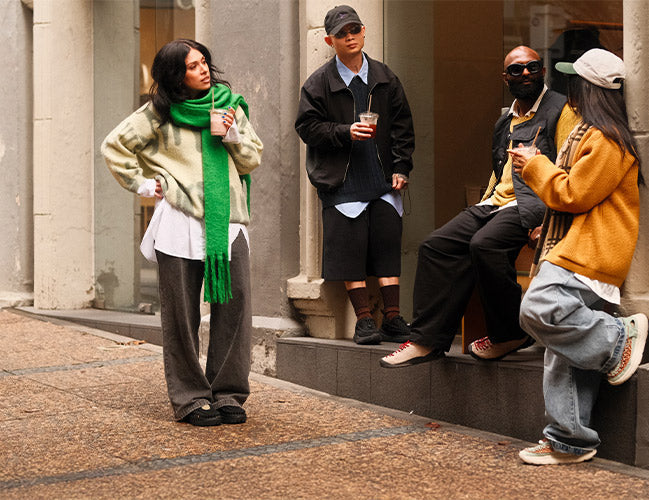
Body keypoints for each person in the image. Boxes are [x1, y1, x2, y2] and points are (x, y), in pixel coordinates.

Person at [380, 46, 580, 368]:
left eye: (532, 67)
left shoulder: (562, 109)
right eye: (516, 70)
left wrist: (551, 218)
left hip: (536, 203)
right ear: (505, 78)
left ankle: (510, 333)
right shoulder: (505, 120)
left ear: (543, 71)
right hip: (496, 204)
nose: (525, 73)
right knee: (436, 246)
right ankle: (425, 341)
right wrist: (483, 204)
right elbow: (499, 170)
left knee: (484, 245)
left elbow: (570, 168)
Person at [102, 39, 263, 427]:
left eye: (204, 61)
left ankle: (228, 393)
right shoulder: (158, 114)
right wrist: (145, 185)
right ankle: (190, 397)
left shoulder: (230, 105)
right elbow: (115, 146)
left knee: (235, 308)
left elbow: (252, 159)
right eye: (193, 66)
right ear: (177, 75)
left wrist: (230, 134)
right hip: (181, 220)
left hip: (228, 220)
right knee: (180, 314)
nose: (204, 69)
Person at [510, 48, 648, 464]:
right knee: (564, 355)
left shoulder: (606, 139)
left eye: (575, 82)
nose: (568, 89)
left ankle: (616, 340)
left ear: (588, 89)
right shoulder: (589, 133)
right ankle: (570, 439)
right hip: (578, 249)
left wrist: (535, 165)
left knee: (536, 308)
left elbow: (573, 194)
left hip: (589, 254)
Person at [295, 5, 415, 345]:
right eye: (342, 34)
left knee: (387, 245)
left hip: (382, 178)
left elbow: (404, 127)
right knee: (349, 248)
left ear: (364, 32)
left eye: (355, 30)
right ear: (329, 40)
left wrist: (402, 166)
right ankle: (364, 320)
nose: (350, 37)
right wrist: (345, 132)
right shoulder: (318, 83)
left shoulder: (385, 77)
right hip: (341, 180)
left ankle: (392, 317)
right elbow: (306, 127)